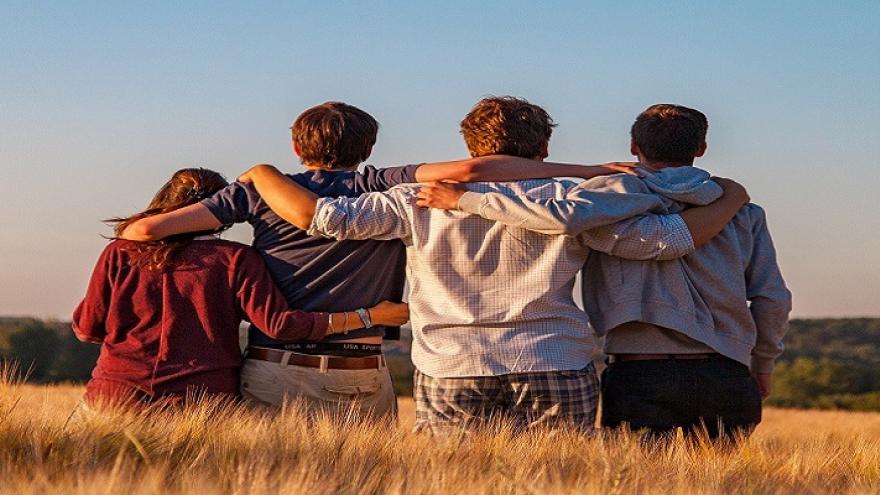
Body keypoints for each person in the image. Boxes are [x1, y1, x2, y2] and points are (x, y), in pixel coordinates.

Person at [236, 96, 749, 434]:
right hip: (554, 358)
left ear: (470, 148)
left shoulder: (417, 198)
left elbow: (327, 219)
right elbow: (661, 243)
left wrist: (261, 175)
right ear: (544, 149)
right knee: (562, 482)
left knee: (452, 484)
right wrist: (729, 198)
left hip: (451, 363)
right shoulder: (573, 199)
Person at [118, 101, 641, 417]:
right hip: (361, 366)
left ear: (297, 147)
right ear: (367, 148)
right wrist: (590, 167)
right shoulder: (386, 182)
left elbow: (143, 231)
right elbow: (476, 169)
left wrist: (239, 223)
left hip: (274, 364)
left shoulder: (255, 191)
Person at [419, 104, 791, 440]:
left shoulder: (602, 203)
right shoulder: (744, 212)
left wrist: (464, 199)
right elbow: (772, 298)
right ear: (701, 148)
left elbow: (561, 219)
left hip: (639, 372)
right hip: (728, 372)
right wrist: (763, 364)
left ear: (634, 146)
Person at [73, 168, 409, 409]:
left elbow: (88, 328)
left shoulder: (119, 252)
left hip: (115, 395)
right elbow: (281, 325)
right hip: (203, 402)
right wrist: (370, 316)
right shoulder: (235, 259)